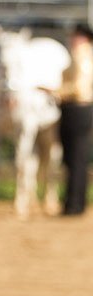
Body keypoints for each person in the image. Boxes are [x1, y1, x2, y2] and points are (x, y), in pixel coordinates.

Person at [57, 22, 93, 215]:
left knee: (76, 159)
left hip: (77, 109)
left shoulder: (82, 56)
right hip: (77, 109)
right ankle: (74, 203)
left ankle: (74, 204)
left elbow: (78, 88)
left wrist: (56, 92)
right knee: (75, 159)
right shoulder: (82, 55)